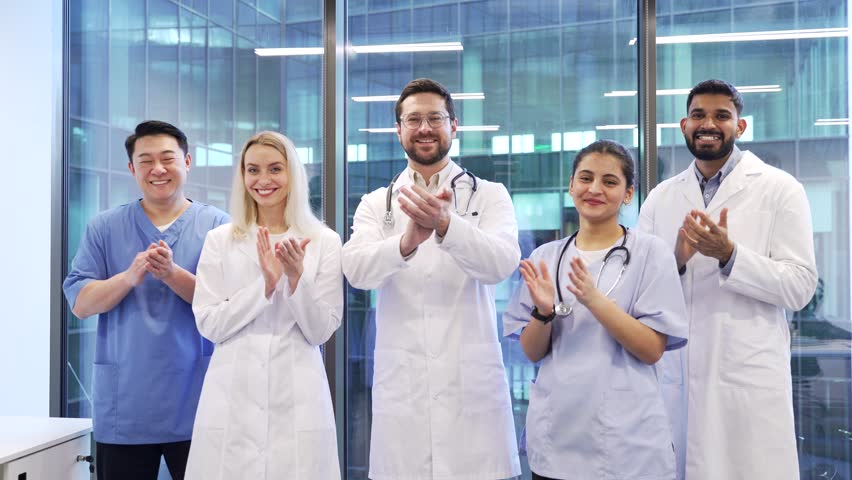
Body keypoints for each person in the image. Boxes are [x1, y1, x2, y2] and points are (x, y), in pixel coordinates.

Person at [341, 78, 522, 480]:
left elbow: (502, 263)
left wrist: (446, 225)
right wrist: (406, 242)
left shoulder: (489, 195)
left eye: (435, 118)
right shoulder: (377, 203)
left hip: (469, 393)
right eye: (414, 120)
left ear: (454, 126)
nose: (425, 128)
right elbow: (356, 270)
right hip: (404, 393)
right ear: (399, 131)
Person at [638, 79, 818, 480]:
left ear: (740, 127)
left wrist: (730, 256)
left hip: (747, 381)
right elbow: (640, 289)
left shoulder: (780, 190)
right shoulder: (661, 198)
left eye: (722, 115)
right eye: (699, 115)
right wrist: (678, 259)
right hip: (676, 380)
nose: (709, 124)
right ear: (684, 125)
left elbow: (800, 286)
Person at [503, 140, 688, 480]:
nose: (595, 189)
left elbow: (651, 349)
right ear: (571, 185)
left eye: (610, 181)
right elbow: (531, 351)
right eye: (585, 178)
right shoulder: (547, 257)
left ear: (628, 193)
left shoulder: (650, 253)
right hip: (556, 439)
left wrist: (594, 300)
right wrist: (542, 312)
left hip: (629, 445)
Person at [63, 120, 229, 480]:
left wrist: (172, 274)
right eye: (146, 160)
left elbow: (231, 305)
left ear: (187, 162)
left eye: (168, 158)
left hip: (198, 401)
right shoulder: (104, 227)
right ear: (131, 168)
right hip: (126, 406)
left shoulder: (219, 226)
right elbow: (80, 303)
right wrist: (128, 277)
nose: (157, 169)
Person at [185, 131, 342, 479]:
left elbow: (320, 331)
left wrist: (296, 279)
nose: (263, 180)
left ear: (293, 175)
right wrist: (266, 287)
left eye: (275, 169)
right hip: (232, 394)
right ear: (242, 176)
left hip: (298, 392)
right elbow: (210, 324)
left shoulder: (324, 242)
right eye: (253, 170)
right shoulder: (220, 240)